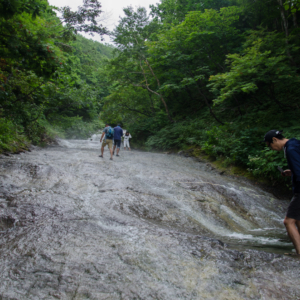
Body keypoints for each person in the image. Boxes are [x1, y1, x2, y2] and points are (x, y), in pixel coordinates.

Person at [263, 129, 300, 255]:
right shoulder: (295, 143)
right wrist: (292, 172)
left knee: (288, 222)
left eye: (270, 145)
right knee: (298, 219)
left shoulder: (290, 150)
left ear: (274, 139)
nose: (272, 148)